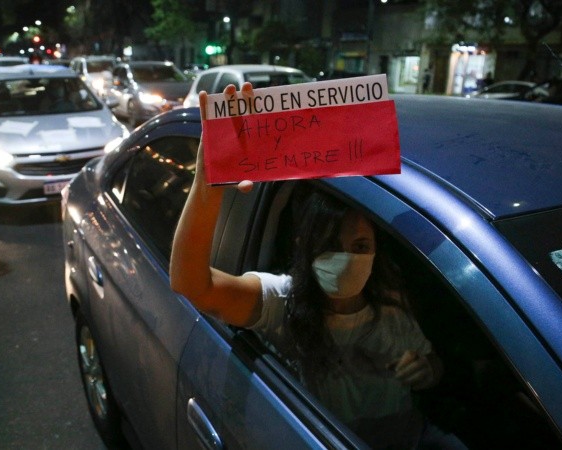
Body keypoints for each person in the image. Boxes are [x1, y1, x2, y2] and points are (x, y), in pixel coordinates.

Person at [170, 83, 463, 449]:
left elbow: (431, 364)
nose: (347, 260)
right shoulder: (283, 303)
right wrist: (207, 184)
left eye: (360, 247)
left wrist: (427, 370)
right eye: (329, 245)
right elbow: (192, 285)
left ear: (376, 252)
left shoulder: (392, 307)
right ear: (304, 248)